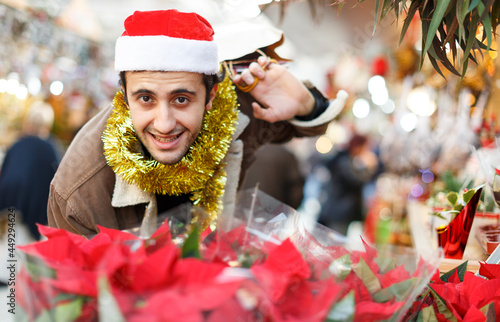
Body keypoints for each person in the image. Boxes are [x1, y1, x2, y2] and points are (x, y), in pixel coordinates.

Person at [47, 9, 347, 237]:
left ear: (211, 97)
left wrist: (305, 103)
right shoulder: (79, 193)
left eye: (181, 99)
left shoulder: (233, 113)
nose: (164, 124)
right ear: (124, 98)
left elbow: (306, 124)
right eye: (146, 99)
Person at [0, 101, 59, 240]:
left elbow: (5, 171)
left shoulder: (18, 144)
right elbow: (57, 180)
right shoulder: (50, 148)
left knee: (10, 244)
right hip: (34, 207)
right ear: (47, 125)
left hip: (9, 201)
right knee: (23, 248)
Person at [317, 134, 379, 235]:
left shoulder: (346, 159)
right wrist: (369, 168)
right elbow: (355, 180)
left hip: (338, 210)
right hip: (339, 211)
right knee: (334, 244)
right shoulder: (344, 160)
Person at [242, 143, 305, 209]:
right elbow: (296, 191)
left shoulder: (244, 150)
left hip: (240, 209)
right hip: (272, 211)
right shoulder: (285, 154)